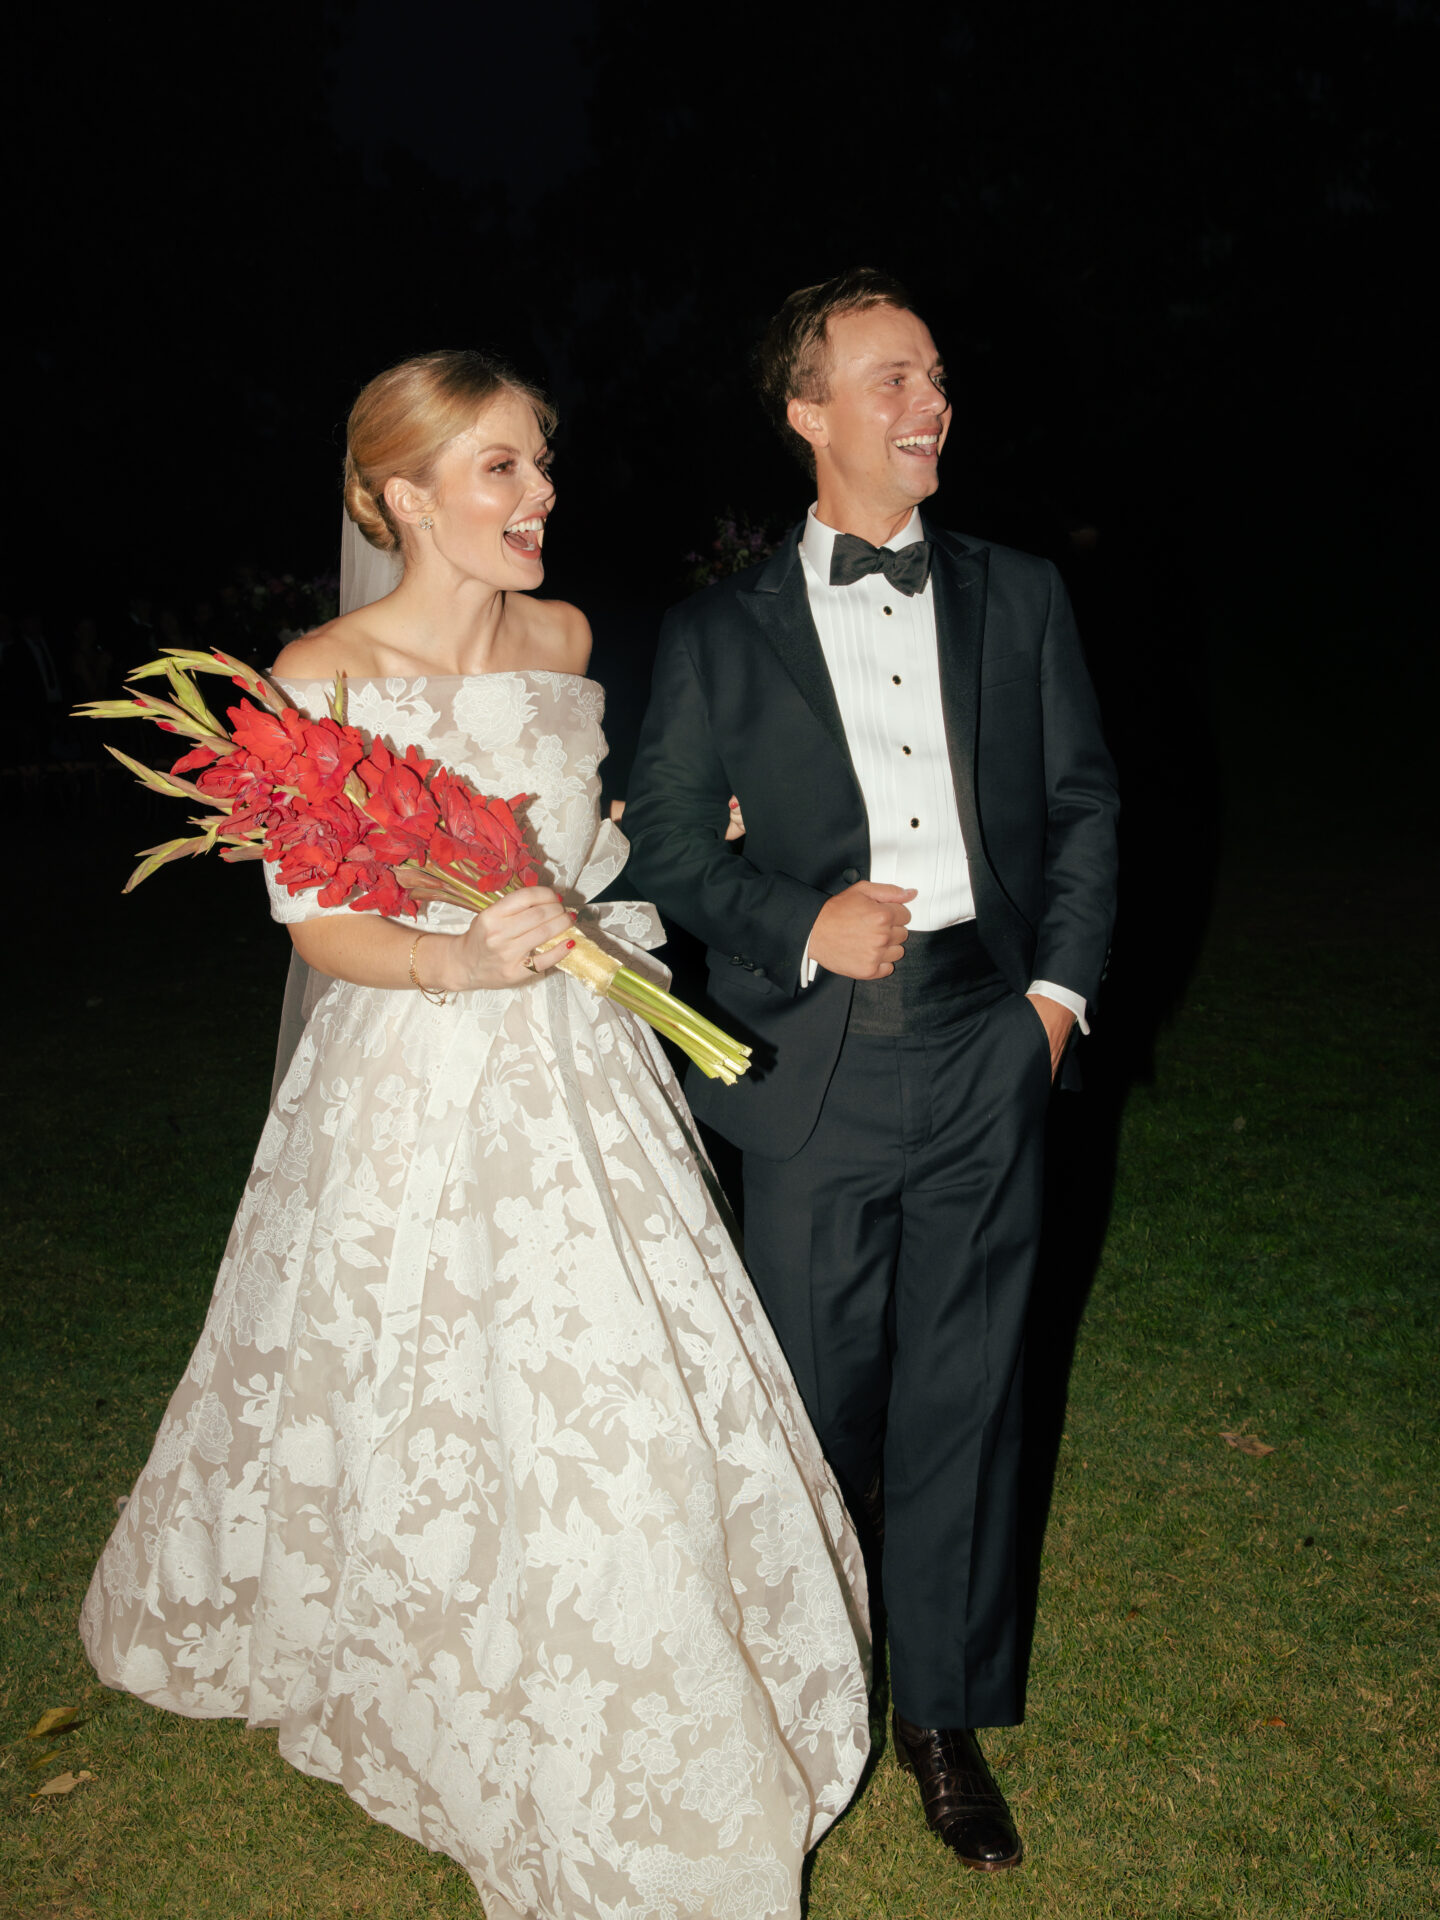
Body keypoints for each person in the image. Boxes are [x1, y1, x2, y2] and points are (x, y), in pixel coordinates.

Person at [81, 349, 870, 1920]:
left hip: (585, 1062)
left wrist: (676, 827)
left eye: (542, 461)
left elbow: (584, 839)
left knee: (611, 1378)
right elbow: (318, 925)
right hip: (418, 1070)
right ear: (401, 494)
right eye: (499, 468)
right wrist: (460, 954)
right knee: (415, 1371)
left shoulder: (568, 637)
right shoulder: (326, 674)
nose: (541, 495)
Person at [622, 271, 1120, 1876]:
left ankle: (943, 1721)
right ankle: (810, 1695)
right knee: (813, 1405)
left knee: (968, 1392)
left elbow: (1089, 805)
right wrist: (800, 921)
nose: (932, 406)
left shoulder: (1022, 594)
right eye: (893, 379)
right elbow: (675, 855)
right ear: (808, 411)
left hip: (989, 1035)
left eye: (939, 378)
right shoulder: (716, 634)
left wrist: (1053, 1000)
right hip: (813, 1067)